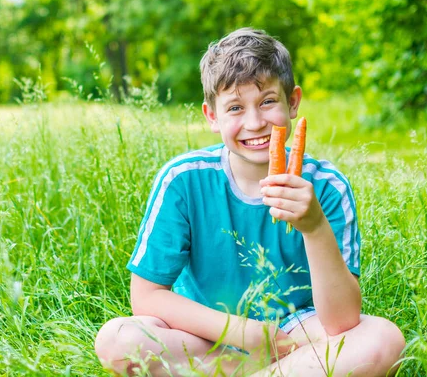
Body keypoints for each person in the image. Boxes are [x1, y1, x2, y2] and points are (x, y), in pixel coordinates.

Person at [94, 27, 406, 376]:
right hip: (206, 330)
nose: (255, 123)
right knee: (117, 339)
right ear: (212, 116)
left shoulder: (327, 186)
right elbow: (147, 296)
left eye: (268, 102)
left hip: (298, 331)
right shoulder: (182, 179)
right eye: (235, 107)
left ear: (293, 102)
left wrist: (314, 226)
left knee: (383, 340)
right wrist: (248, 334)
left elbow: (341, 321)